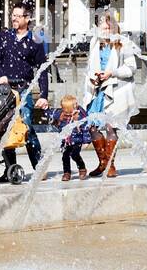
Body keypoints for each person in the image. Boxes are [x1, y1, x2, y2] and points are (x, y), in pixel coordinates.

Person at [0, 2, 50, 175]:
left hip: (23, 90)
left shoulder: (35, 41)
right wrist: (0, 76)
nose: (14, 18)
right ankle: (11, 170)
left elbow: (42, 69)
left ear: (27, 18)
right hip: (4, 91)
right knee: (3, 128)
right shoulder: (4, 36)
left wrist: (43, 94)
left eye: (18, 16)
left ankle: (39, 166)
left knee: (26, 126)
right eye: (13, 15)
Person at [83, 12, 138, 178]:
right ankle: (103, 163)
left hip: (114, 90)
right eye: (102, 27)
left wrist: (111, 73)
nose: (104, 30)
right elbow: (89, 68)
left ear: (114, 27)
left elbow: (131, 68)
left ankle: (110, 165)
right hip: (97, 90)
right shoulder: (95, 43)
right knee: (92, 127)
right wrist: (93, 78)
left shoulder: (123, 43)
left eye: (108, 27)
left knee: (110, 127)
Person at [49, 94, 91, 181]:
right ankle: (67, 172)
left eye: (68, 110)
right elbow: (50, 115)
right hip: (65, 141)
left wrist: (86, 141)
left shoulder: (79, 116)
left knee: (75, 155)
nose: (67, 112)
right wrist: (45, 109)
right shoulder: (61, 114)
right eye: (64, 109)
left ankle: (82, 168)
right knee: (65, 156)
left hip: (77, 140)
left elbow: (85, 128)